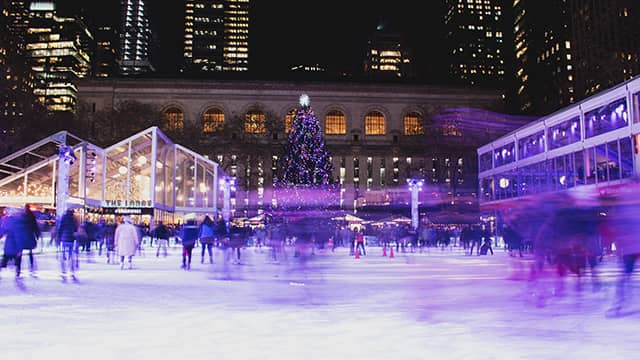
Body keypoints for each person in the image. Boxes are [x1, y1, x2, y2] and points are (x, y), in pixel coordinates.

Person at [0, 207, 26, 278]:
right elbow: (18, 237)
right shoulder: (19, 222)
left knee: (5, 260)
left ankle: (15, 271)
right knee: (17, 260)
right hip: (15, 246)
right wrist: (20, 249)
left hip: (9, 245)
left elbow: (3, 230)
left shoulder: (8, 221)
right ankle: (18, 272)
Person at [57, 209, 79, 280]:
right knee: (71, 255)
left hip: (64, 239)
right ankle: (72, 270)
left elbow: (60, 228)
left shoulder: (63, 219)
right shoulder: (74, 220)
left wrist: (59, 238)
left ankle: (63, 271)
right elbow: (76, 229)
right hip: (71, 239)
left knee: (63, 255)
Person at [22, 205, 41, 276]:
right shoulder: (31, 216)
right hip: (30, 235)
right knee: (30, 252)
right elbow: (35, 226)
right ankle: (31, 265)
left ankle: (18, 268)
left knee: (20, 251)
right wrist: (37, 234)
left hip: (23, 235)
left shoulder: (22, 216)